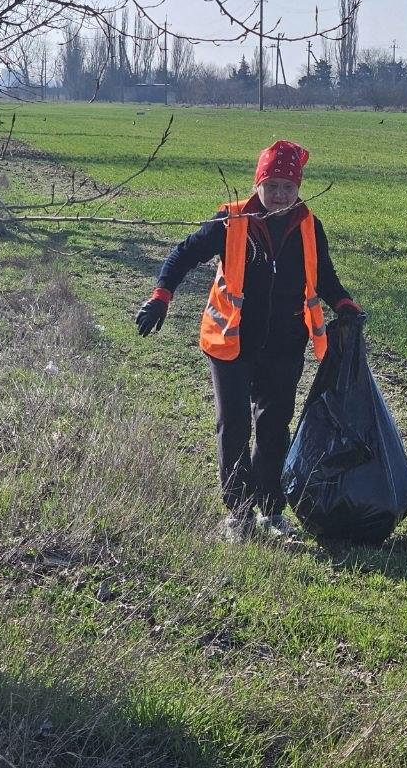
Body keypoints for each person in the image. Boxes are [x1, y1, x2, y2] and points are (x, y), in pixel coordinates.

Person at [134, 140, 363, 542]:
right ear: (258, 183)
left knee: (274, 427)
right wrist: (161, 297)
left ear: (298, 188)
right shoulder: (231, 220)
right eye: (272, 185)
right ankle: (238, 513)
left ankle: (271, 511)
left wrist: (344, 303)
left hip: (285, 344)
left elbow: (324, 276)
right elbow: (183, 254)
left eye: (288, 187)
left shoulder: (309, 225)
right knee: (234, 426)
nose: (280, 195)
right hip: (231, 343)